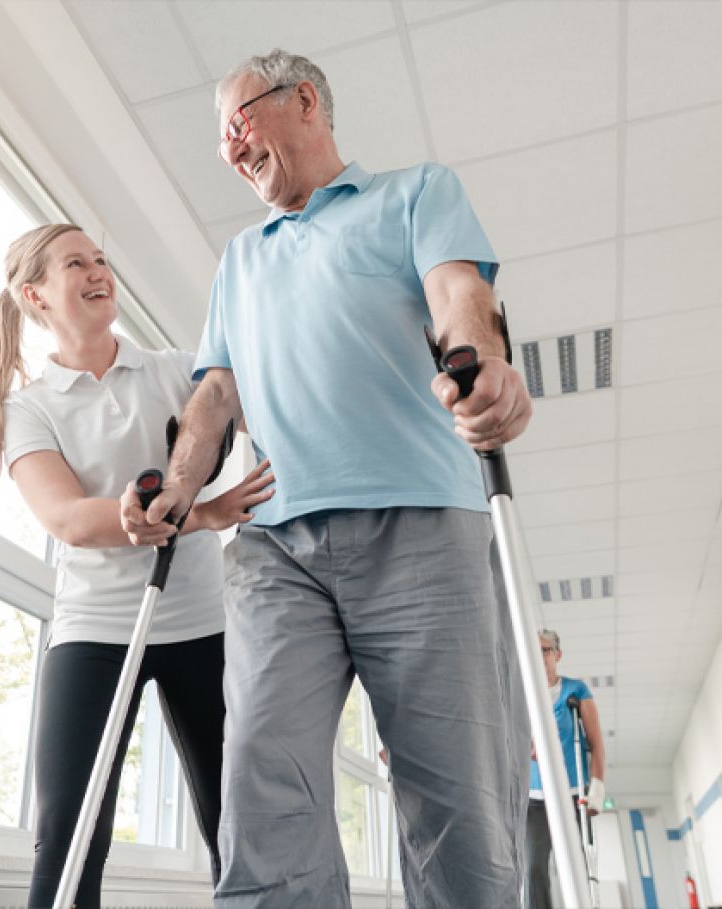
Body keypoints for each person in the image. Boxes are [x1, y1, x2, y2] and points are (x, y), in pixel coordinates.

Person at [121, 49, 533, 909]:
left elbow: (459, 292)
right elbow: (213, 396)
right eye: (221, 141)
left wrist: (482, 361)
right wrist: (177, 489)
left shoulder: (413, 194)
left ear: (303, 100)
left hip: (421, 526)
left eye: (239, 123)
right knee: (262, 788)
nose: (231, 150)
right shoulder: (240, 261)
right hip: (279, 549)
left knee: (456, 798)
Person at [0, 223, 275, 908]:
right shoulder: (30, 406)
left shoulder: (173, 369)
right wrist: (201, 515)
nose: (98, 269)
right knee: (69, 837)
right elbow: (70, 519)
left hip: (200, 622)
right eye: (77, 262)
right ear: (35, 294)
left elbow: (269, 412)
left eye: (101, 258)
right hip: (94, 632)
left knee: (242, 826)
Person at [526, 629, 606, 909]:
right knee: (533, 869)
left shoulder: (576, 690)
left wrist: (597, 786)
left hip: (571, 793)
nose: (540, 657)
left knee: (574, 866)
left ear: (557, 655)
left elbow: (595, 743)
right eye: (534, 651)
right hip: (535, 798)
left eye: (545, 650)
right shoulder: (522, 693)